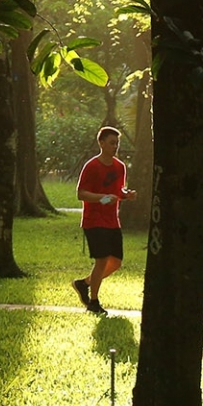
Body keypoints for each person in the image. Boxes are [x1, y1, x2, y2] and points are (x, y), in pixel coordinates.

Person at [73, 125, 136, 315]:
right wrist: (101, 197)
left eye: (116, 143)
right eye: (111, 143)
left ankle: (83, 284)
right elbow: (81, 194)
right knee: (101, 260)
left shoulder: (120, 167)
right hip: (93, 220)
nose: (114, 146)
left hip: (112, 220)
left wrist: (127, 194)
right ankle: (94, 302)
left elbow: (118, 190)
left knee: (115, 262)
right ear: (101, 143)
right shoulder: (91, 166)